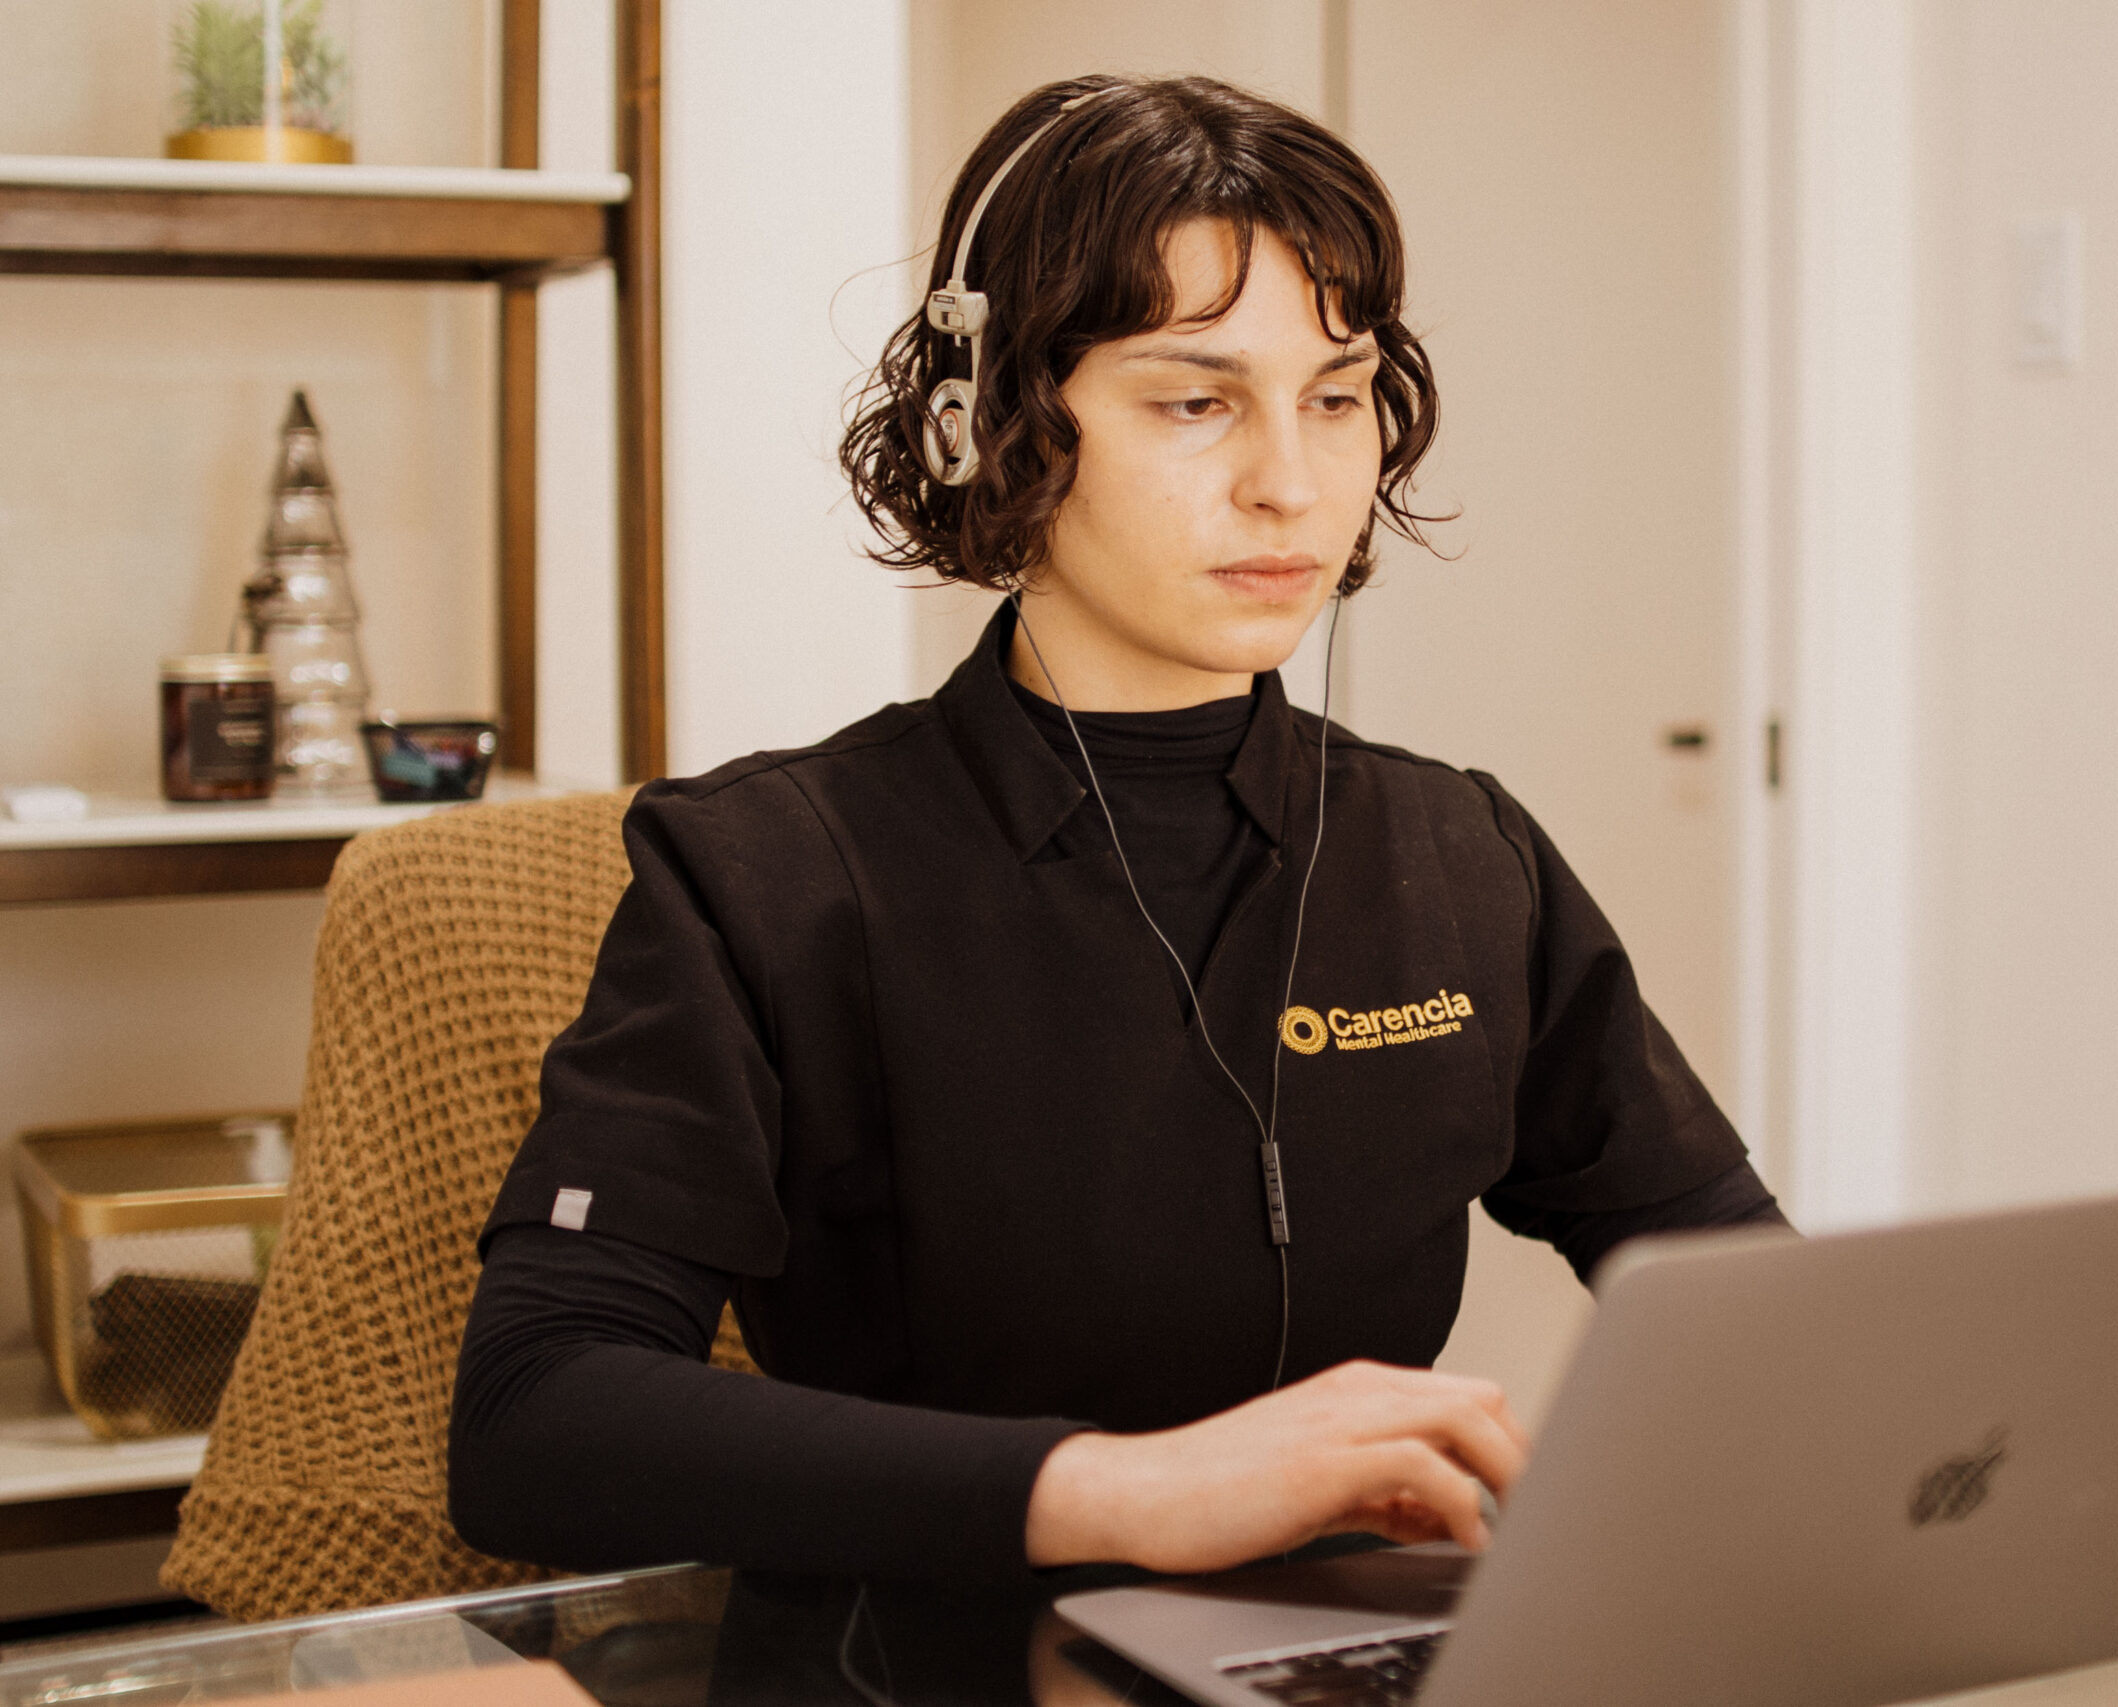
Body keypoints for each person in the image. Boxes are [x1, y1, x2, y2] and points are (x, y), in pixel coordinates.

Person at [448, 74, 1784, 1588]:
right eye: (1196, 400)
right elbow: (532, 1421)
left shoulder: (1457, 856)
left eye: (1334, 396)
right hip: (926, 1674)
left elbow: (1742, 1302)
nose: (1292, 481)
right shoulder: (766, 876)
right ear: (987, 426)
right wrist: (1123, 1494)